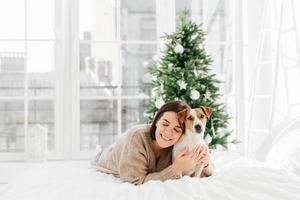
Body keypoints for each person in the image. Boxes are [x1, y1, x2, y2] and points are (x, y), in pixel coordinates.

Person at [92, 100, 213, 185]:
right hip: (108, 156)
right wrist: (175, 170)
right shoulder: (137, 138)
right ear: (156, 121)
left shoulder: (179, 143)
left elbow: (192, 169)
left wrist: (206, 163)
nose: (168, 133)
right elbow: (134, 180)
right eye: (165, 123)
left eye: (177, 129)